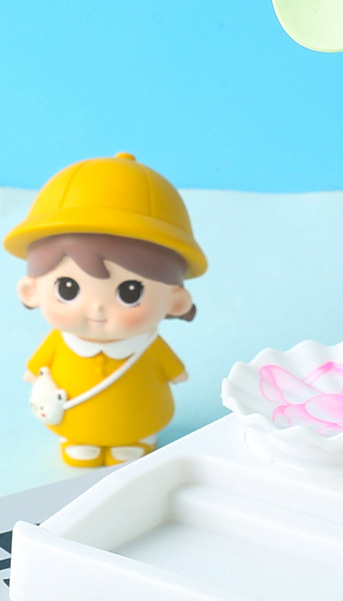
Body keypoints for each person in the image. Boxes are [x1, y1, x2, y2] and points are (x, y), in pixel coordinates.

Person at [4, 152, 206, 468]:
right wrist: (34, 373)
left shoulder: (147, 346)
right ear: (32, 292)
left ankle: (135, 440)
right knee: (79, 442)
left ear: (175, 300)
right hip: (71, 421)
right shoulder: (60, 342)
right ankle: (79, 440)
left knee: (135, 439)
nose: (97, 308)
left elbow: (172, 369)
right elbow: (37, 367)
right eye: (68, 289)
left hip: (141, 418)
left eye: (130, 292)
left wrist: (176, 372)